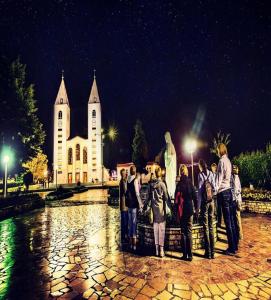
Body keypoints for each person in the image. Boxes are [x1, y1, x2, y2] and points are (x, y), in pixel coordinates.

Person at [215, 143, 238, 255]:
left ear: (220, 150)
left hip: (223, 192)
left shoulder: (221, 161)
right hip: (229, 190)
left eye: (217, 150)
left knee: (227, 221)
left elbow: (219, 179)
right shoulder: (228, 161)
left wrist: (214, 191)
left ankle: (231, 248)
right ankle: (235, 245)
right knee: (232, 221)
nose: (216, 152)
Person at [145, 166, 171, 257]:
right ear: (161, 174)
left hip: (154, 210)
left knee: (155, 229)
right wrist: (171, 208)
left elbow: (147, 198)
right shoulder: (162, 184)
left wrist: (145, 207)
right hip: (161, 210)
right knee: (162, 230)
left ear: (155, 174)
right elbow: (167, 198)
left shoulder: (151, 185)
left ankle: (156, 250)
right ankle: (161, 250)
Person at [175, 165, 198, 261]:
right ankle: (191, 255)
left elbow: (175, 200)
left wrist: (176, 212)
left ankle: (184, 255)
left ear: (180, 172)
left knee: (183, 232)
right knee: (189, 232)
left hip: (182, 211)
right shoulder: (190, 183)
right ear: (186, 171)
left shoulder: (179, 184)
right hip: (189, 210)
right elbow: (195, 197)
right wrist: (196, 209)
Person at [198, 160, 216, 259]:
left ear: (200, 166)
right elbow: (215, 188)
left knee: (205, 227)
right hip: (212, 202)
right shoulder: (211, 174)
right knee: (211, 226)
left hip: (205, 203)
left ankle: (208, 252)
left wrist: (198, 207)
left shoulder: (200, 175)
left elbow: (200, 192)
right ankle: (212, 252)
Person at [126, 166, 144, 251]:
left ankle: (130, 244)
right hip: (133, 204)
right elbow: (137, 193)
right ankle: (134, 245)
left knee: (130, 224)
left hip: (129, 204)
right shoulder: (135, 180)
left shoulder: (128, 179)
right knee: (134, 223)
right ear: (135, 171)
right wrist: (141, 204)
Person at [231, 165, 243, 240]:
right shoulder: (237, 177)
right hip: (238, 200)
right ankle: (239, 235)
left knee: (237, 218)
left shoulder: (235, 177)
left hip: (236, 200)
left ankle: (239, 236)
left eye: (234, 169)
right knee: (237, 218)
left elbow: (236, 190)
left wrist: (233, 198)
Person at [119, 169, 128, 242]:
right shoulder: (123, 181)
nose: (125, 174)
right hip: (124, 205)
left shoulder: (123, 181)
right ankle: (123, 237)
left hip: (124, 205)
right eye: (124, 173)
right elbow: (125, 192)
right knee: (124, 222)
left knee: (124, 221)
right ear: (122, 174)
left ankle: (124, 236)